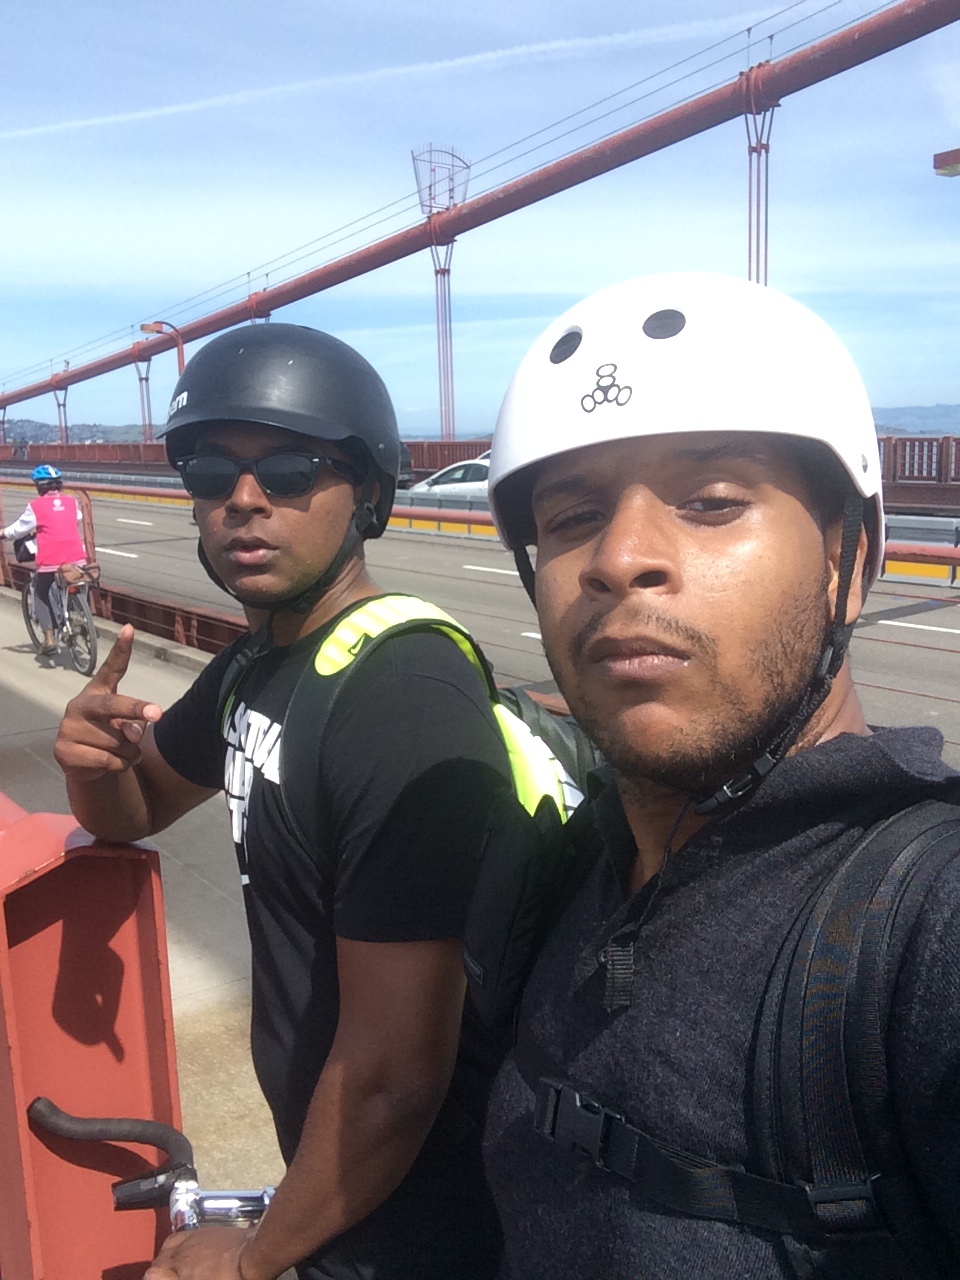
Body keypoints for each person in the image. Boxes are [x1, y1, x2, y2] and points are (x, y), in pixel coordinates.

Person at [480, 273, 960, 1278]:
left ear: (851, 558)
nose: (619, 556)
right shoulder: (573, 865)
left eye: (711, 501)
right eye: (571, 517)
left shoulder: (921, 927)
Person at [53, 324, 516, 1280]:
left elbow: (396, 1077)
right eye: (213, 472)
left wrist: (255, 1258)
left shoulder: (402, 693)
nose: (244, 500)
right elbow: (135, 811)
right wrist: (92, 765)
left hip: (428, 1217)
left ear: (371, 499)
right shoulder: (255, 665)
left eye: (293, 470)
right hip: (342, 1177)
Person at [2, 463, 87, 654]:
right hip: (76, 557)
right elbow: (77, 518)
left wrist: (3, 534)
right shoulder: (72, 502)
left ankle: (49, 639)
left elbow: (18, 529)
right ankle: (83, 618)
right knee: (76, 582)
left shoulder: (35, 506)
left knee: (40, 593)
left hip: (51, 559)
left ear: (40, 486)